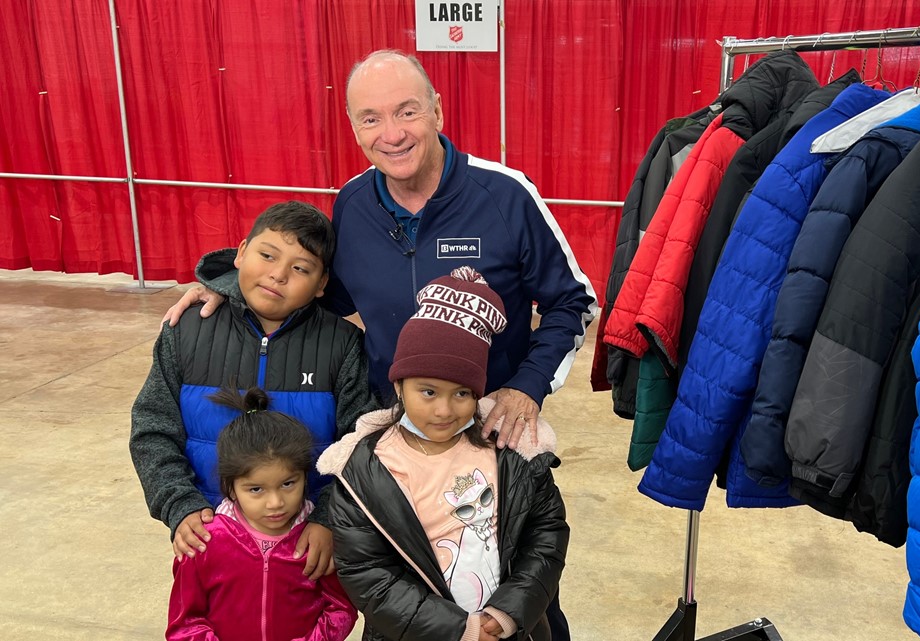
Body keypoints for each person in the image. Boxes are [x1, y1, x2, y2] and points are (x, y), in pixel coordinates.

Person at [164, 49, 597, 452]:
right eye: (370, 119)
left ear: (438, 112)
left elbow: (573, 302)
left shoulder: (506, 195)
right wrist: (230, 287)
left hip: (486, 426)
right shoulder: (352, 203)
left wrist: (528, 386)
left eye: (407, 112)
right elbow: (321, 292)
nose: (392, 135)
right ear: (353, 127)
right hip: (389, 424)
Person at [316, 267, 569, 641]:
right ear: (399, 386)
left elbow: (546, 535)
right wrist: (459, 630)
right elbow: (368, 573)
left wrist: (509, 613)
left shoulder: (513, 452)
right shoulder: (364, 470)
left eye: (462, 393)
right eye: (428, 392)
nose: (444, 410)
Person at [131, 201, 375, 580]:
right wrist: (180, 505)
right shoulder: (186, 332)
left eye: (301, 268)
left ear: (323, 283)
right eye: (267, 255)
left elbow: (361, 445)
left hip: (307, 549)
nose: (278, 275)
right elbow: (152, 429)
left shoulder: (343, 345)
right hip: (210, 541)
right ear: (241, 252)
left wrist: (328, 518)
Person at [166, 386, 358, 641]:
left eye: (288, 484)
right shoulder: (204, 543)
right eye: (256, 489)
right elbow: (184, 623)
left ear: (305, 477)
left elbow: (341, 609)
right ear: (231, 487)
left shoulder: (319, 541)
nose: (276, 502)